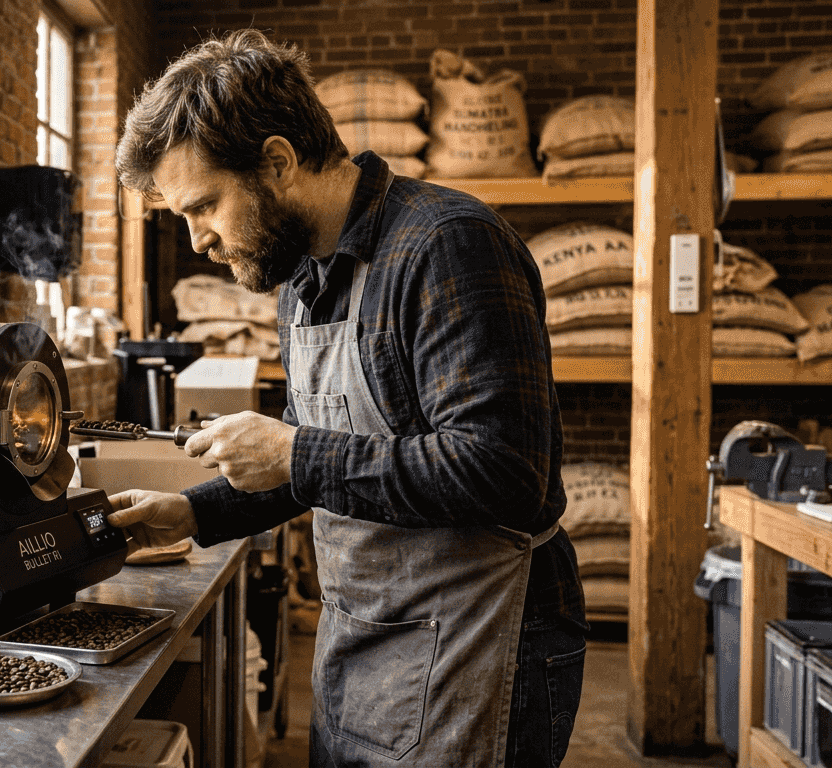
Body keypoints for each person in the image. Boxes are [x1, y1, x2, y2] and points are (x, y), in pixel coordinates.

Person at [109, 29, 587, 768]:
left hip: (479, 648)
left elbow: (504, 472)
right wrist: (195, 511)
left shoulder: (447, 245)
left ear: (277, 161)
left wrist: (295, 448)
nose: (198, 240)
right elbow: (315, 461)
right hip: (367, 645)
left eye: (204, 205)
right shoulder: (303, 278)